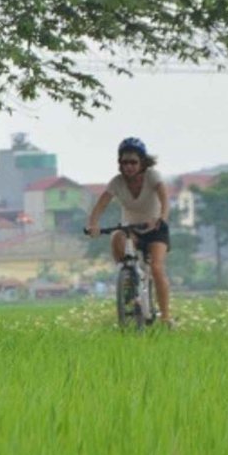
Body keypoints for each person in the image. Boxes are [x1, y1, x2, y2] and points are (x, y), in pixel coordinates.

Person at [86, 137, 173, 325]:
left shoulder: (152, 176)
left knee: (157, 267)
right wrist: (93, 224)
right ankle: (127, 279)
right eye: (124, 162)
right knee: (117, 236)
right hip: (131, 228)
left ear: (142, 162)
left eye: (133, 162)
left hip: (155, 228)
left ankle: (166, 317)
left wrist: (161, 218)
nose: (129, 166)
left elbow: (165, 199)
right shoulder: (116, 182)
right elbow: (101, 204)